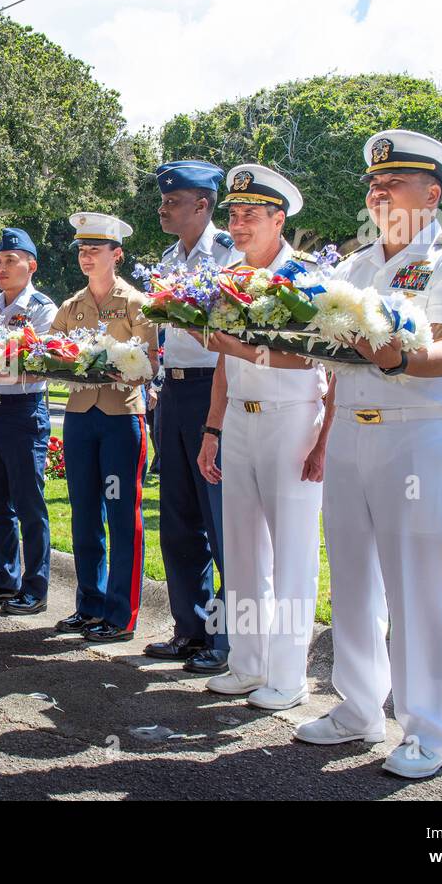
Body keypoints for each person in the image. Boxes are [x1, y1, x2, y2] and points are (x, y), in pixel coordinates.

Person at [295, 130, 442, 779]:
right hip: (352, 424)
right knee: (352, 577)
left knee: (421, 583)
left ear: (432, 194)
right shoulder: (352, 267)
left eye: (393, 181)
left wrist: (402, 355)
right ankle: (357, 707)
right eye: (374, 184)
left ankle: (430, 729)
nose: (378, 191)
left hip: (418, 430)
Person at [192, 166, 332, 711]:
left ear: (280, 220)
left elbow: (318, 357)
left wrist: (322, 442)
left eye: (251, 214)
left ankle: (288, 674)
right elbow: (223, 361)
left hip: (292, 415)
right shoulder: (227, 274)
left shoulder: (306, 277)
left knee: (292, 549)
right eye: (233, 213)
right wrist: (212, 428)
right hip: (242, 420)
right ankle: (248, 664)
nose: (239, 223)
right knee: (244, 550)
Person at [145, 160, 237, 674]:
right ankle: (190, 629)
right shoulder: (166, 257)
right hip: (174, 393)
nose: (163, 208)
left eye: (172, 200)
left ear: (202, 204)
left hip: (213, 391)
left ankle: (226, 641)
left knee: (220, 521)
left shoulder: (229, 254)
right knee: (178, 520)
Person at [53, 212, 157, 643]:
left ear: (117, 254)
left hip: (120, 420)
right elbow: (51, 353)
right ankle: (89, 604)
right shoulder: (70, 306)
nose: (86, 256)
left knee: (120, 513)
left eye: (95, 249)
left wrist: (123, 369)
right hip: (79, 417)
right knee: (84, 514)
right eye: (82, 249)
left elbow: (147, 360)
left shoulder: (135, 303)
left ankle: (121, 614)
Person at [0, 228, 57, 615]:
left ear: (31, 265)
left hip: (23, 413)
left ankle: (35, 587)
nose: (1, 268)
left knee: (29, 504)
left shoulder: (42, 309)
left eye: (10, 261)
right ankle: (5, 578)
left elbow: (37, 367)